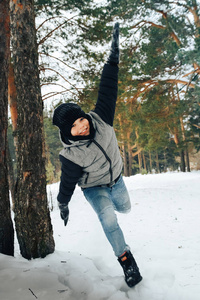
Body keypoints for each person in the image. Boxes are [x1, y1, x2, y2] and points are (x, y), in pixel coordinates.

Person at [53, 23, 142, 288]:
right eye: (75, 126)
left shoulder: (101, 118)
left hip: (118, 179)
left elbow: (108, 86)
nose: (82, 126)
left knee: (124, 207)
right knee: (109, 218)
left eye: (81, 119)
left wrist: (113, 58)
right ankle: (127, 261)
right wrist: (63, 203)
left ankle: (116, 205)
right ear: (67, 132)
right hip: (94, 188)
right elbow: (68, 182)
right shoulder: (70, 155)